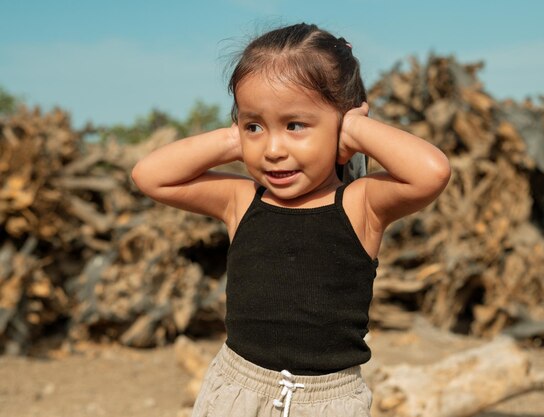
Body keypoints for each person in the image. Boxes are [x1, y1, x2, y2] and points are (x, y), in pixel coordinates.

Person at [132, 22, 450, 417]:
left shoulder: (359, 204)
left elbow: (432, 171)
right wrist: (237, 140)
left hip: (329, 402)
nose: (273, 149)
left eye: (294, 125)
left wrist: (355, 127)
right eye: (255, 126)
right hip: (236, 390)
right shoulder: (242, 199)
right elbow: (149, 175)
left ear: (342, 124)